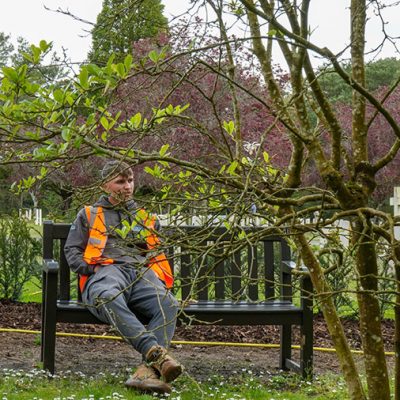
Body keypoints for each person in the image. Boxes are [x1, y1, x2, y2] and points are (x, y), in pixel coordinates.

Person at [64, 160, 182, 394]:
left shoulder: (146, 218)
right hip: (105, 273)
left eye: (130, 180)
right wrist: (92, 271)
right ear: (104, 185)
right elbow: (72, 250)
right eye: (120, 181)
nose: (127, 186)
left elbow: (154, 254)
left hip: (140, 274)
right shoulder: (88, 214)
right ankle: (156, 354)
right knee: (107, 296)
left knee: (168, 303)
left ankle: (145, 374)